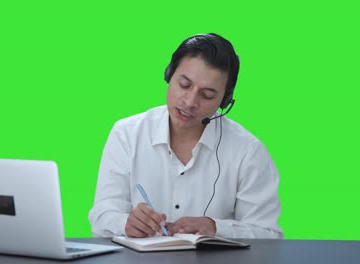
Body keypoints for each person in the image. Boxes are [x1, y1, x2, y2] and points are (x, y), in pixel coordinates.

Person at [88, 33, 283, 239]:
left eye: (207, 95)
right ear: (169, 75)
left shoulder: (248, 151)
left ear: (224, 101)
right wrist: (125, 223)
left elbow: (268, 234)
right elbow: (102, 214)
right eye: (184, 85)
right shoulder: (127, 134)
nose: (190, 102)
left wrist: (216, 228)